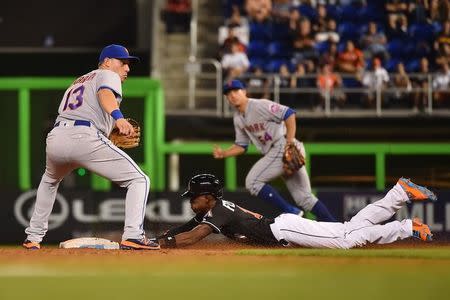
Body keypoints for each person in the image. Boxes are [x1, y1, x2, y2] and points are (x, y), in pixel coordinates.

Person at [22, 44, 160, 251]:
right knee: (139, 179)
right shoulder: (107, 75)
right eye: (123, 63)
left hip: (57, 137)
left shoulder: (79, 81)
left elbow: (87, 108)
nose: (127, 69)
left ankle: (33, 237)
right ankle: (133, 235)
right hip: (84, 136)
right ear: (107, 62)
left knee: (49, 181)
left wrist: (107, 129)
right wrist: (119, 119)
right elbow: (105, 94)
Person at [158, 174, 436, 249]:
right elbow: (187, 226)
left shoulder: (218, 213)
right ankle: (399, 193)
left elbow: (194, 236)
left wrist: (165, 245)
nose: (191, 201)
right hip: (284, 228)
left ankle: (406, 227)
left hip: (284, 230)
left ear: (207, 197)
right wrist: (156, 239)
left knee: (345, 240)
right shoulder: (214, 208)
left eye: (194, 197)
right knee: (349, 228)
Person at [213, 80, 336, 222]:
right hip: (278, 150)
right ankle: (335, 226)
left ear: (244, 92)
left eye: (236, 91)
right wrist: (224, 153)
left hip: (282, 145)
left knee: (253, 182)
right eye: (228, 93)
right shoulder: (238, 118)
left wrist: (289, 144)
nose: (232, 95)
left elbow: (289, 113)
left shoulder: (259, 105)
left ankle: (292, 212)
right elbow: (242, 145)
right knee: (305, 198)